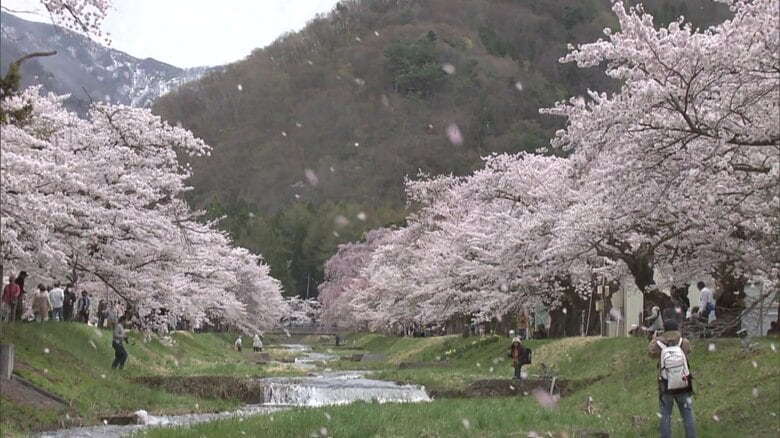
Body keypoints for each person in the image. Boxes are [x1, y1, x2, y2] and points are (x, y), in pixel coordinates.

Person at [648, 319, 696, 438]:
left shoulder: (659, 344)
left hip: (666, 384)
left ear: (664, 329)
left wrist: (654, 339)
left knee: (665, 415)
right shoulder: (683, 342)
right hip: (683, 383)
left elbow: (650, 353)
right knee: (687, 413)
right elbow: (689, 350)